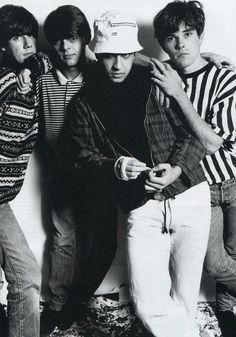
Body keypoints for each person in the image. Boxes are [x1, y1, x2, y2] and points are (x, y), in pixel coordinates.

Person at [61, 9, 211, 337]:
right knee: (147, 303)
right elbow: (82, 157)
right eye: (109, 57)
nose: (118, 65)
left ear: (135, 53)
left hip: (188, 194)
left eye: (125, 56)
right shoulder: (84, 103)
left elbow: (193, 134)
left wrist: (176, 168)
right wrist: (114, 166)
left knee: (185, 298)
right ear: (97, 54)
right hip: (141, 205)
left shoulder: (161, 80)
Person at [151, 1, 236, 337]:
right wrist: (168, 81)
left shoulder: (225, 77)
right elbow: (120, 60)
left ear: (200, 35)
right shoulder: (160, 77)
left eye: (188, 34)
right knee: (215, 262)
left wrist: (180, 95)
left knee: (233, 253)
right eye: (172, 38)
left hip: (234, 178)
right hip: (200, 187)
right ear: (162, 43)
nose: (181, 44)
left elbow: (214, 142)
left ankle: (227, 311)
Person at [36, 5, 92, 336]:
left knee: (99, 240)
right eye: (58, 41)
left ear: (84, 40)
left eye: (72, 39)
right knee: (62, 238)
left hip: (96, 172)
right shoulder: (42, 75)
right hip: (59, 172)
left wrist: (213, 55)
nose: (66, 47)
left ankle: (79, 302)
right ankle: (56, 306)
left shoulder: (98, 75)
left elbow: (133, 60)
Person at [0, 4, 50, 337]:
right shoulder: (4, 81)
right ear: (4, 45)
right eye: (18, 37)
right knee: (26, 275)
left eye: (30, 34)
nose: (29, 43)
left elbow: (50, 60)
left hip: (2, 197)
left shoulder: (33, 68)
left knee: (24, 276)